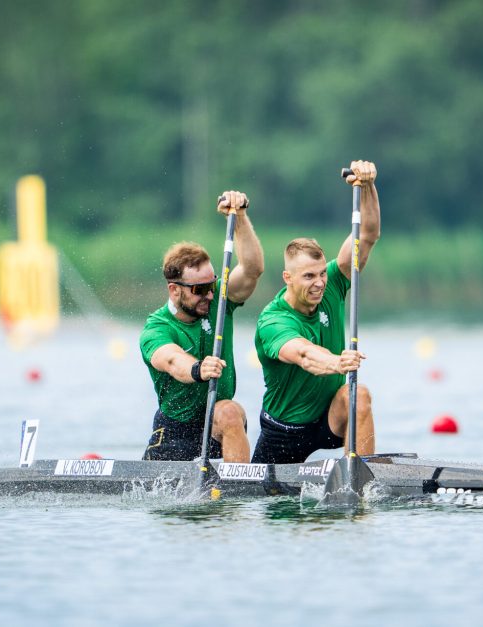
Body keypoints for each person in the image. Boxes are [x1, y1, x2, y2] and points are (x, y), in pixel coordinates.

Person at [251, 160, 380, 464]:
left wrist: (369, 186)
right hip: (284, 431)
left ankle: (364, 477)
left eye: (321, 273)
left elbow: (369, 234)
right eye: (309, 277)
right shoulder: (273, 320)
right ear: (288, 278)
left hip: (327, 420)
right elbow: (305, 354)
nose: (320, 283)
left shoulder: (334, 282)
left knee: (358, 395)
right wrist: (338, 362)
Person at [140, 191, 264, 462]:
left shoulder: (219, 301)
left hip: (217, 422)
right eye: (199, 289)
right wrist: (198, 369)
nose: (210, 295)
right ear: (174, 290)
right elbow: (172, 360)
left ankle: (238, 492)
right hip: (175, 429)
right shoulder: (156, 328)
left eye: (212, 285)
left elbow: (252, 269)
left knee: (229, 410)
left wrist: (240, 217)